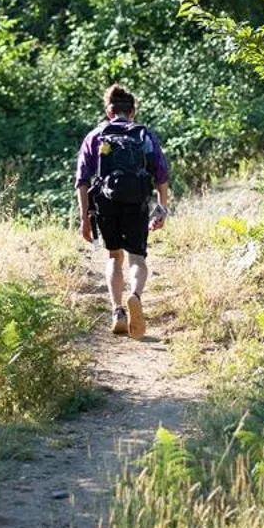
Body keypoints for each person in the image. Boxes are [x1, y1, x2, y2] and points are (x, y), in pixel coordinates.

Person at [75, 83, 170, 338]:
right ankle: (135, 296)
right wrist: (161, 210)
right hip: (136, 201)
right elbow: (161, 176)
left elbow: (82, 182)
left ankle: (118, 311)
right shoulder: (143, 135)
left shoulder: (95, 136)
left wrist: (84, 218)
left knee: (114, 257)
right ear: (133, 111)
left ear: (109, 111)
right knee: (137, 259)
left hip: (106, 204)